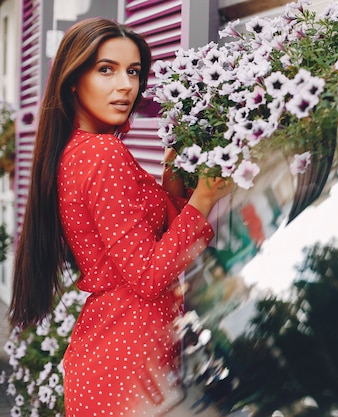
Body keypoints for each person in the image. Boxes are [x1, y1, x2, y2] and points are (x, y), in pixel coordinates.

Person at [9, 17, 232, 416]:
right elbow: (148, 275)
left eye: (133, 71)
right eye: (106, 70)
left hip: (115, 350)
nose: (126, 85)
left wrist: (174, 184)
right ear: (74, 79)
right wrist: (204, 199)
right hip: (128, 358)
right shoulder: (102, 155)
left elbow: (143, 244)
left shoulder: (76, 152)